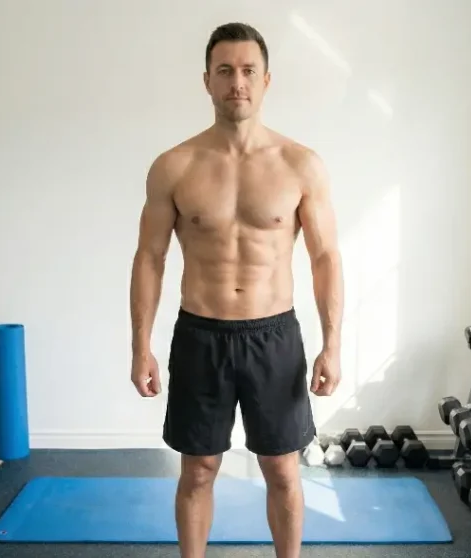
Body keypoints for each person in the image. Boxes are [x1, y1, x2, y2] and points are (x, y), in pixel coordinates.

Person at [128, 22, 343, 558]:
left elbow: (325, 258)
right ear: (207, 81)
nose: (237, 82)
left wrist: (333, 344)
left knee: (281, 469)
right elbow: (149, 258)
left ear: (267, 80)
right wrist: (141, 345)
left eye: (248, 71)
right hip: (201, 333)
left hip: (274, 335)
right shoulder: (174, 166)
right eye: (225, 71)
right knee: (198, 470)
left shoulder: (301, 164)